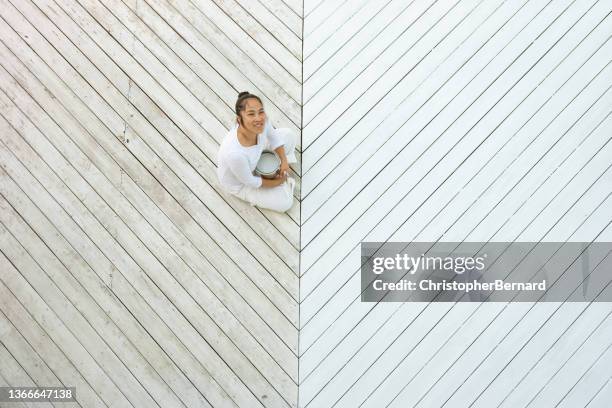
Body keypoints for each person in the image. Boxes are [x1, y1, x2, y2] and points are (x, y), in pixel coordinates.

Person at [217, 91, 297, 212]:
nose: (258, 118)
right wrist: (278, 181)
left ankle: (280, 171)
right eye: (251, 114)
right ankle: (280, 180)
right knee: (285, 203)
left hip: (256, 156)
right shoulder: (234, 154)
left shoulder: (262, 122)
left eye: (261, 111)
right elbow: (250, 181)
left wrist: (284, 162)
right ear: (239, 120)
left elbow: (274, 138)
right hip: (242, 184)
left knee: (288, 135)